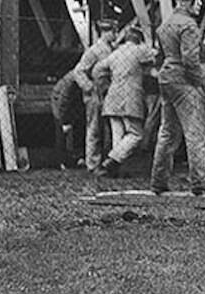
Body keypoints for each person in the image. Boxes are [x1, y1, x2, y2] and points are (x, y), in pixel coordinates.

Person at [150, 0, 205, 195]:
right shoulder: (189, 26)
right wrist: (203, 81)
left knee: (167, 132)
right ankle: (200, 181)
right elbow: (190, 60)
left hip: (166, 79)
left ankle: (158, 181)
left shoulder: (166, 25)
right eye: (198, 1)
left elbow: (159, 57)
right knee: (195, 132)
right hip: (184, 81)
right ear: (189, 2)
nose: (200, 5)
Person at [93, 24, 156, 178]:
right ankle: (112, 160)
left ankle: (116, 170)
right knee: (136, 134)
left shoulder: (115, 53)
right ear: (138, 39)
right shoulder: (139, 50)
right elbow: (155, 55)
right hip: (130, 96)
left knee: (118, 136)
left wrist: (104, 85)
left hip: (112, 96)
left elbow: (97, 69)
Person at [73, 19, 120, 172]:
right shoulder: (94, 51)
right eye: (113, 31)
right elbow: (79, 71)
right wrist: (89, 87)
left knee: (106, 129)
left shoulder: (112, 49)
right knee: (95, 129)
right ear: (105, 32)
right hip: (95, 95)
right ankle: (93, 163)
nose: (116, 34)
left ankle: (104, 161)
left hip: (108, 93)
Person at [48, 69, 85, 169]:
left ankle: (76, 157)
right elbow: (63, 100)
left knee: (78, 126)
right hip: (60, 102)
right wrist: (64, 120)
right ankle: (61, 161)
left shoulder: (79, 74)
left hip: (73, 103)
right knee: (61, 130)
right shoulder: (71, 81)